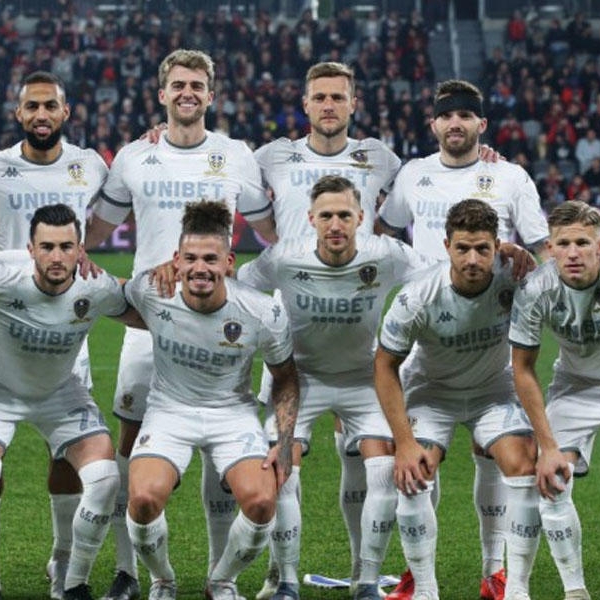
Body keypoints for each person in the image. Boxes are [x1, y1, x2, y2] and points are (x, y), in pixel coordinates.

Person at [85, 48, 277, 600]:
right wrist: (76, 257)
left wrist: (252, 281)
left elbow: (271, 234)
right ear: (162, 94)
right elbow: (96, 230)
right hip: (148, 325)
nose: (187, 93)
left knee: (223, 449)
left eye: (197, 85)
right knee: (131, 447)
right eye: (178, 85)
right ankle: (131, 572)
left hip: (218, 324)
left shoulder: (235, 155)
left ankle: (220, 577)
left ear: (210, 96)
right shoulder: (134, 156)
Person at [377, 79, 549, 600]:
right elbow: (385, 235)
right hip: (428, 336)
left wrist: (518, 256)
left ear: (481, 124)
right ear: (434, 124)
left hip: (490, 341)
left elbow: (543, 251)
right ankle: (419, 578)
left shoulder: (510, 175)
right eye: (447, 116)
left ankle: (495, 572)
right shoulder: (414, 174)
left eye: (465, 116)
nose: (456, 124)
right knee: (413, 464)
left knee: (496, 455)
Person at [0, 70, 109, 600]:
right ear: (18, 114)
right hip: (7, 324)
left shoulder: (91, 164)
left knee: (67, 461)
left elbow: (128, 196)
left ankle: (63, 562)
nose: (41, 115)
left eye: (49, 106)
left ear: (65, 112)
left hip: (67, 338)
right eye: (31, 106)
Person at [237, 175, 431, 600]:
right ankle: (286, 581)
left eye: (345, 215)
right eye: (326, 216)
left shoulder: (386, 254)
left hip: (363, 380)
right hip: (298, 381)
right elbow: (235, 285)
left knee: (384, 471)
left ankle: (366, 581)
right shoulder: (284, 257)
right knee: (281, 471)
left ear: (361, 218)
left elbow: (439, 276)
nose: (336, 224)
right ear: (311, 219)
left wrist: (505, 257)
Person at [252, 65, 401, 597]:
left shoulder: (381, 158)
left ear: (353, 103)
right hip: (295, 342)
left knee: (367, 463)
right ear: (306, 104)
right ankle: (282, 576)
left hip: (359, 336)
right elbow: (228, 190)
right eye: (320, 97)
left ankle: (366, 575)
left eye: (339, 96)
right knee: (278, 462)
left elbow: (406, 220)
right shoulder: (271, 156)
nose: (329, 105)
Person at [0, 204, 143, 600]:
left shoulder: (96, 285)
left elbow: (145, 313)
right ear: (30, 249)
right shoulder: (1, 274)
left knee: (105, 479)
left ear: (81, 250)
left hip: (61, 392)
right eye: (47, 247)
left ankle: (73, 580)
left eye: (66, 247)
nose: (57, 257)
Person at [123, 200, 298, 600]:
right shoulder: (150, 290)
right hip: (169, 411)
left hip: (232, 414)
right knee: (144, 500)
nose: (199, 268)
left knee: (261, 503)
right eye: (190, 258)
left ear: (229, 262)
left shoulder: (261, 310)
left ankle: (221, 581)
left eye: (210, 259)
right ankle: (162, 580)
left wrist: (284, 442)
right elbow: (106, 297)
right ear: (176, 261)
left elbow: (286, 378)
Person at [510, 201, 600, 600]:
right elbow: (523, 369)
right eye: (564, 244)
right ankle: (575, 590)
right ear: (550, 248)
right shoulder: (535, 289)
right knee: (551, 481)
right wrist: (547, 447)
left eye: (583, 243)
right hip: (573, 386)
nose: (573, 253)